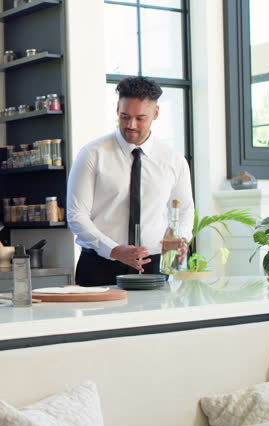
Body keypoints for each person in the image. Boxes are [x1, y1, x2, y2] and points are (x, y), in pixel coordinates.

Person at [67, 76, 193, 287]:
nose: (131, 125)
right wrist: (113, 250)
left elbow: (185, 209)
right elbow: (76, 215)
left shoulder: (173, 160)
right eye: (125, 116)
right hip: (100, 264)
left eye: (140, 118)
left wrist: (180, 240)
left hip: (153, 265)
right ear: (117, 109)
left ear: (156, 113)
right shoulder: (92, 154)